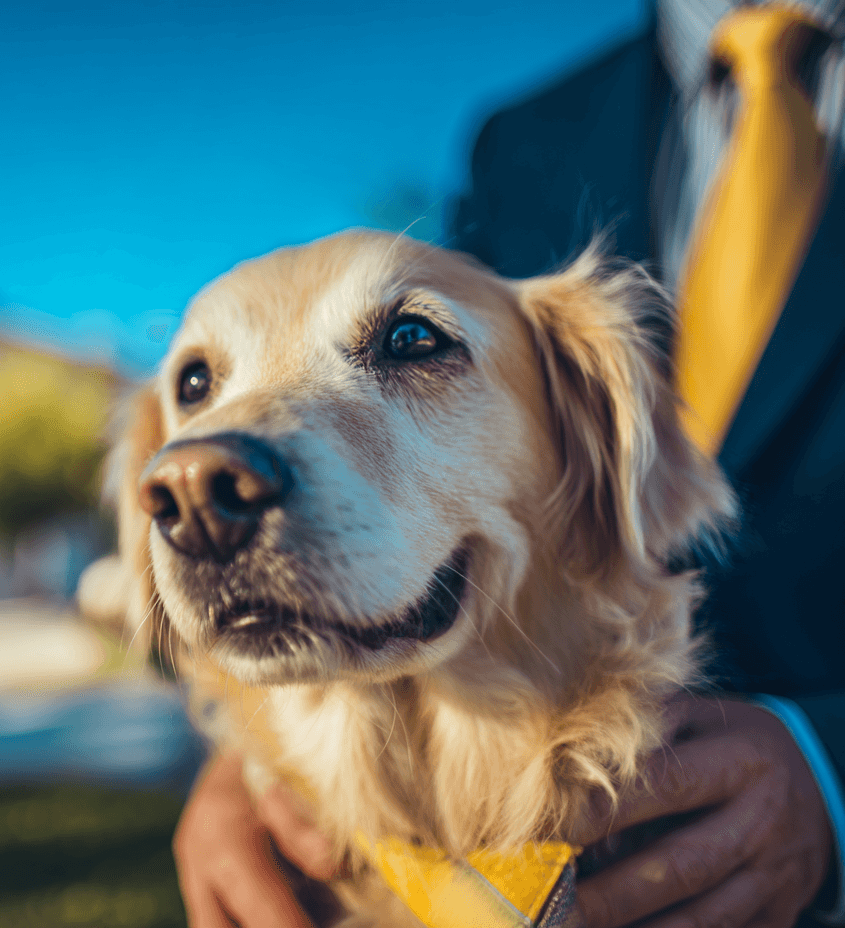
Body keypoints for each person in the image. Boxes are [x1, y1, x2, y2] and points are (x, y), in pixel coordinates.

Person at [172, 1, 845, 927]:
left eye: (409, 341)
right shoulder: (523, 137)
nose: (202, 476)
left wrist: (830, 772)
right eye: (198, 382)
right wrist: (254, 759)